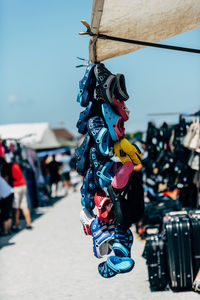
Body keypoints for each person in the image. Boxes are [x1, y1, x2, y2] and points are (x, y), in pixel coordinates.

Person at [0, 157, 32, 231]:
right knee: (24, 206)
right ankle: (28, 223)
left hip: (16, 187)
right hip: (23, 185)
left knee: (16, 207)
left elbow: (6, 179)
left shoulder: (5, 167)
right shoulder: (14, 164)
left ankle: (16, 225)